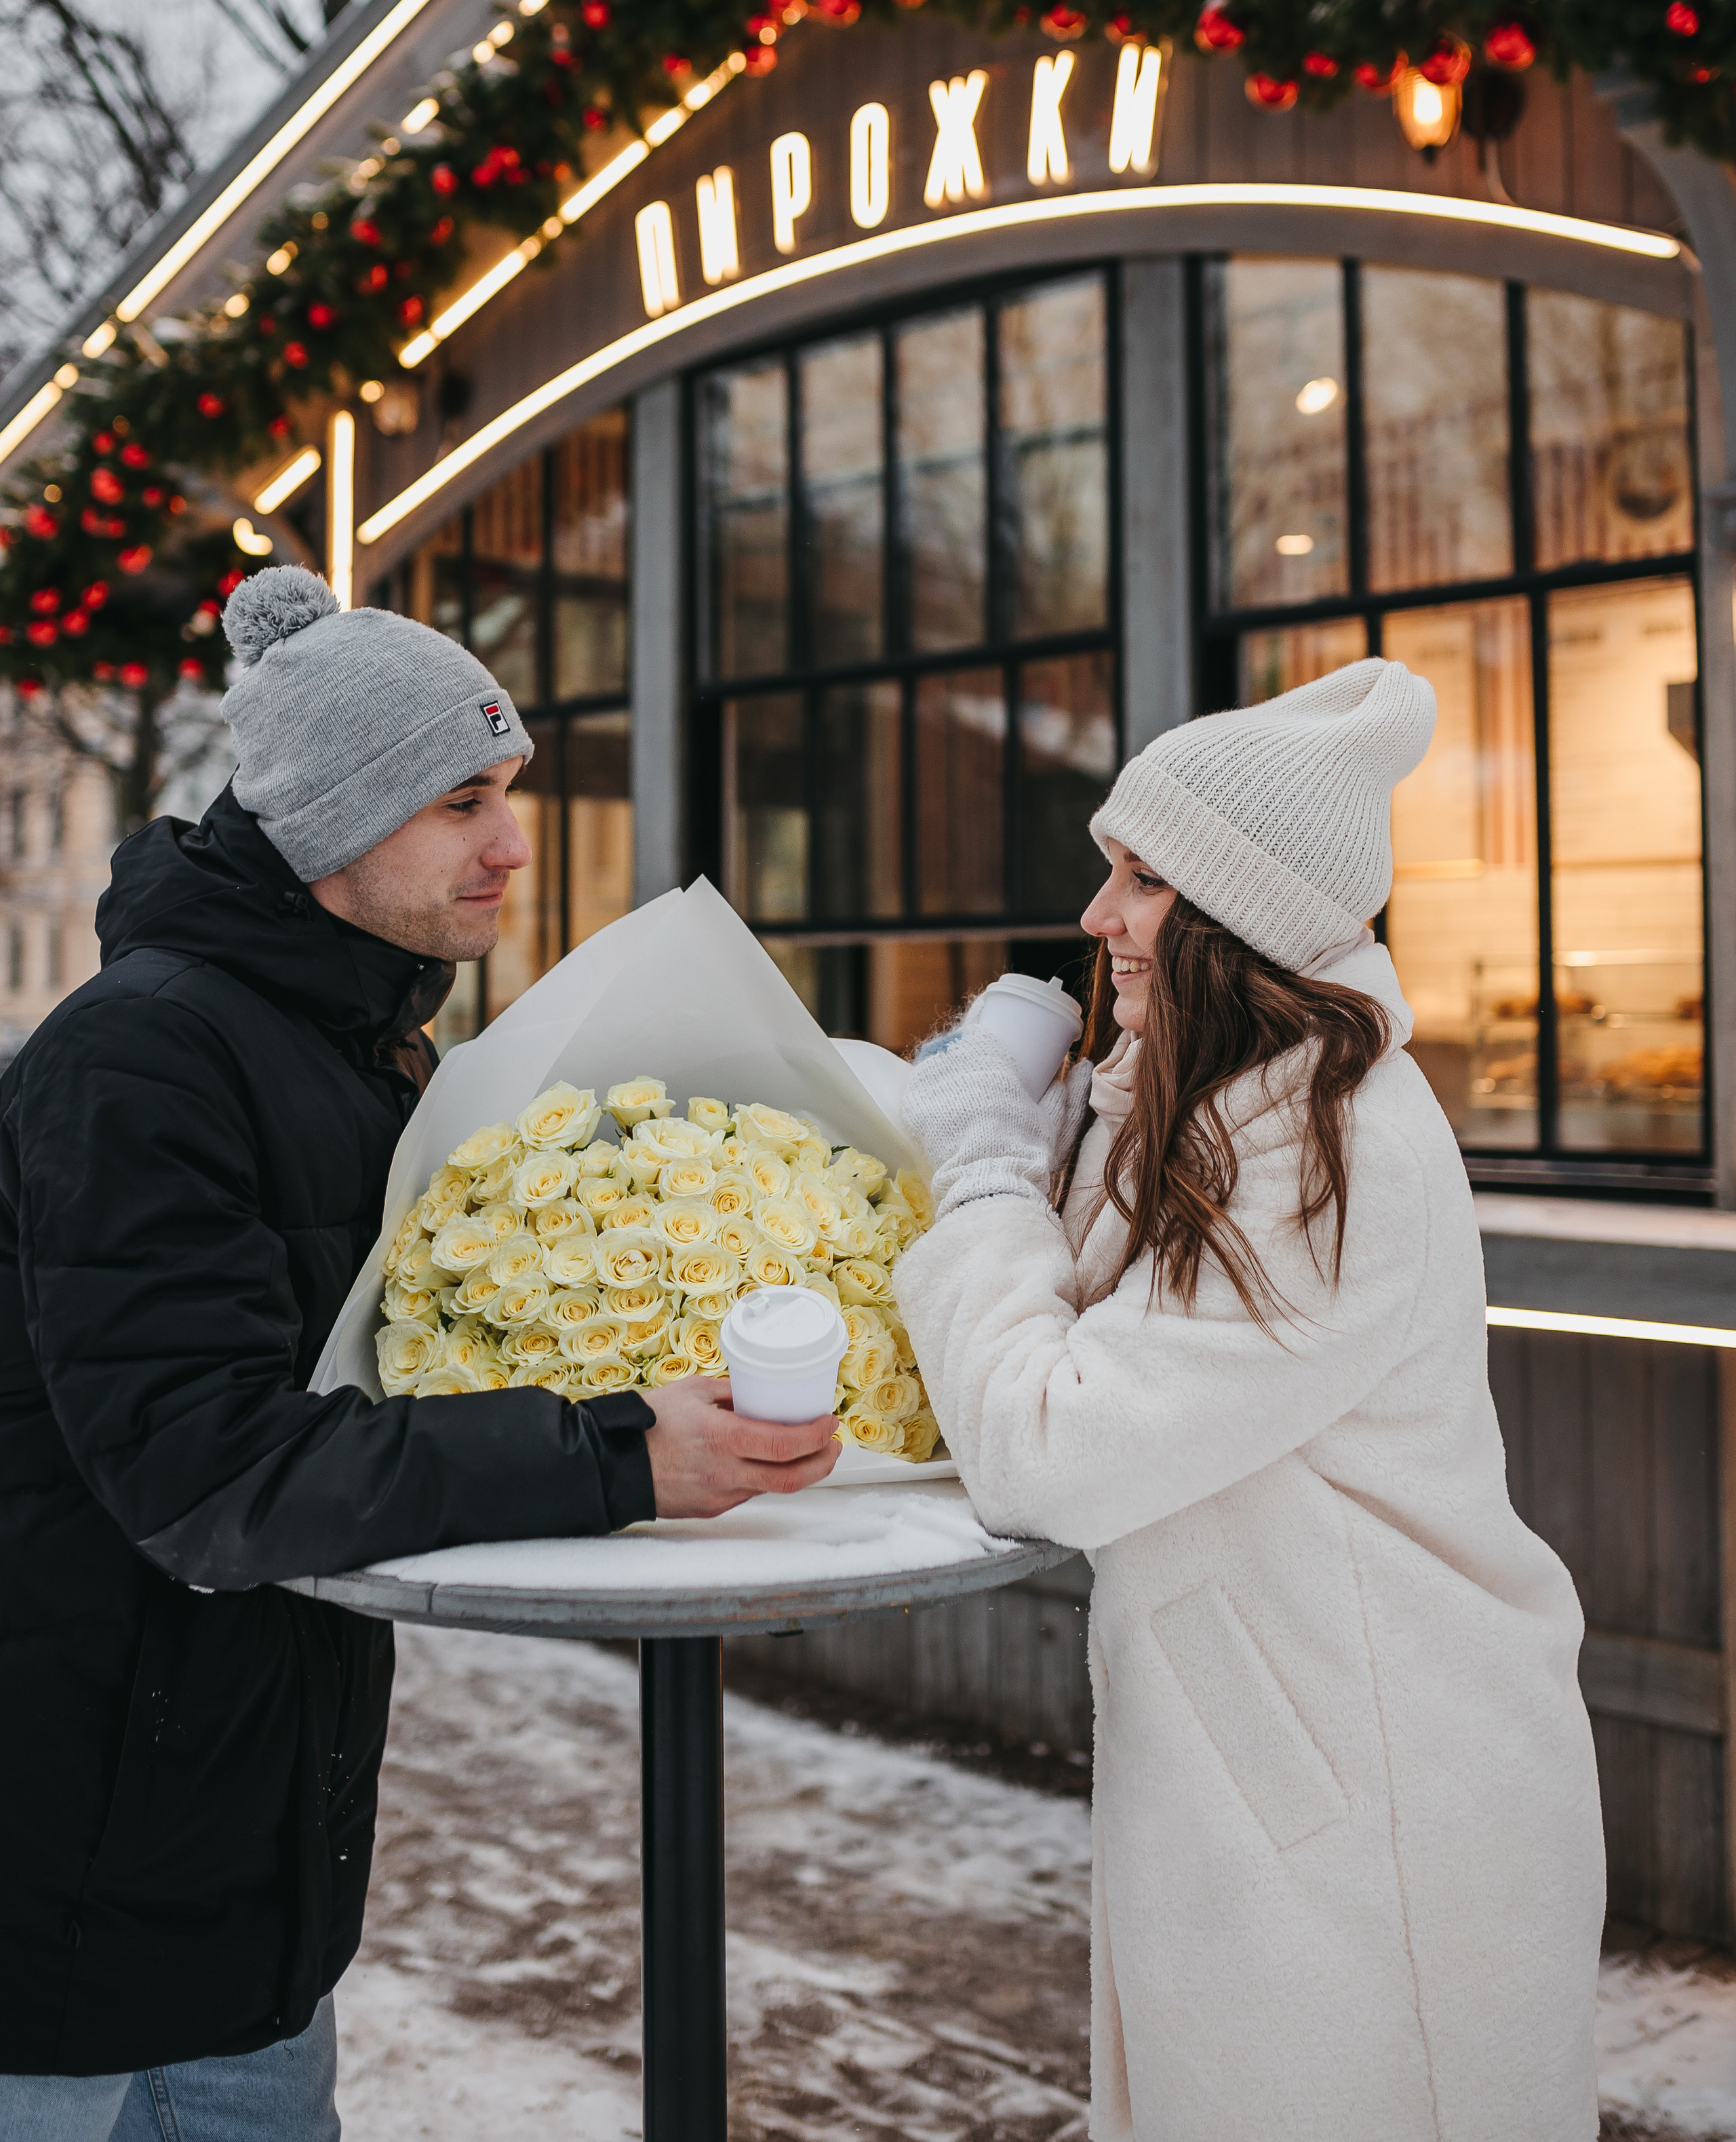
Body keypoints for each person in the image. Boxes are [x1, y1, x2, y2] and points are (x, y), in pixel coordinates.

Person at [0, 568, 837, 2139]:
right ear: (325, 818)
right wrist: (614, 1452)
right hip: (60, 1904)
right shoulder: (139, 1060)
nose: (513, 844)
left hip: (250, 1889)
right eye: (463, 802)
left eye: (508, 792)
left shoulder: (368, 1058)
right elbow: (209, 1474)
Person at [897, 658, 1603, 2142]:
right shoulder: (1228, 1100)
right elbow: (1083, 1314)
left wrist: (972, 1169)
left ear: (1237, 916)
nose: (1096, 920)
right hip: (1286, 1765)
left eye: (1140, 882)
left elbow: (1047, 1445)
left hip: (1376, 1794)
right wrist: (1052, 1122)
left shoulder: (1328, 1149)